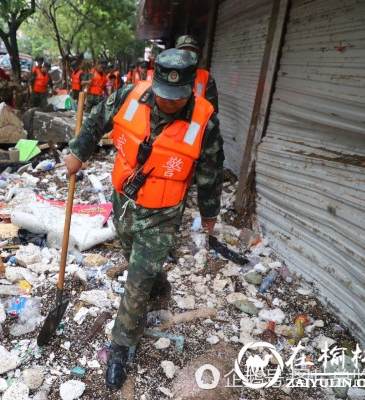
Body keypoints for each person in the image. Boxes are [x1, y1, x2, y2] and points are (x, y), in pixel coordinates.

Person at [65, 48, 224, 390]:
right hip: (123, 200)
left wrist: (210, 213)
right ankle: (160, 285)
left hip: (163, 212)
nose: (169, 103)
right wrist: (78, 151)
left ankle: (120, 346)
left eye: (177, 98)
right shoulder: (130, 94)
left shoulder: (204, 121)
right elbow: (97, 119)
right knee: (134, 258)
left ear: (189, 90)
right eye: (164, 96)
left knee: (136, 279)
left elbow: (211, 170)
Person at [175, 34, 219, 113]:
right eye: (183, 51)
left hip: (196, 122)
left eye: (192, 51)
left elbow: (212, 111)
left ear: (198, 55)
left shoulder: (206, 78)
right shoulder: (167, 74)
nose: (187, 54)